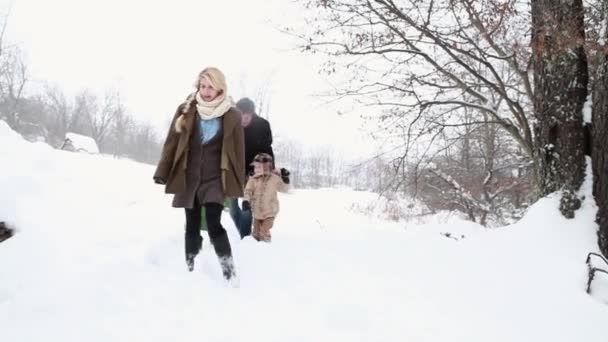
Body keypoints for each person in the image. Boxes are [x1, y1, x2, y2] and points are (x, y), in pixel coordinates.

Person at [153, 67, 245, 280]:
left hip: (214, 180)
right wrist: (163, 171)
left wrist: (239, 182)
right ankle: (191, 267)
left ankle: (229, 273)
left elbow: (238, 153)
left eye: (210, 87)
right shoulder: (186, 110)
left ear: (220, 88)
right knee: (191, 224)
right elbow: (171, 143)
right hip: (189, 177)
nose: (205, 91)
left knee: (214, 223)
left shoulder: (231, 116)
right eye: (202, 86)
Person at [229, 97, 275, 239]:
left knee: (246, 205)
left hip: (254, 170)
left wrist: (266, 168)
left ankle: (246, 236)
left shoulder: (262, 125)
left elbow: (267, 148)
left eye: (246, 116)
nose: (243, 119)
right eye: (240, 116)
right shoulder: (232, 125)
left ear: (252, 114)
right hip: (235, 170)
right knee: (232, 208)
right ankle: (244, 231)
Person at [243, 153, 290, 242]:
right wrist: (245, 201)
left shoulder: (274, 179)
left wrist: (285, 178)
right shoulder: (253, 180)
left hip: (270, 212)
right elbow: (248, 191)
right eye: (256, 166)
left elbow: (284, 189)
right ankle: (258, 248)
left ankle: (267, 246)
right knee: (256, 235)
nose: (258, 169)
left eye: (261, 166)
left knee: (264, 230)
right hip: (257, 212)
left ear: (268, 166)